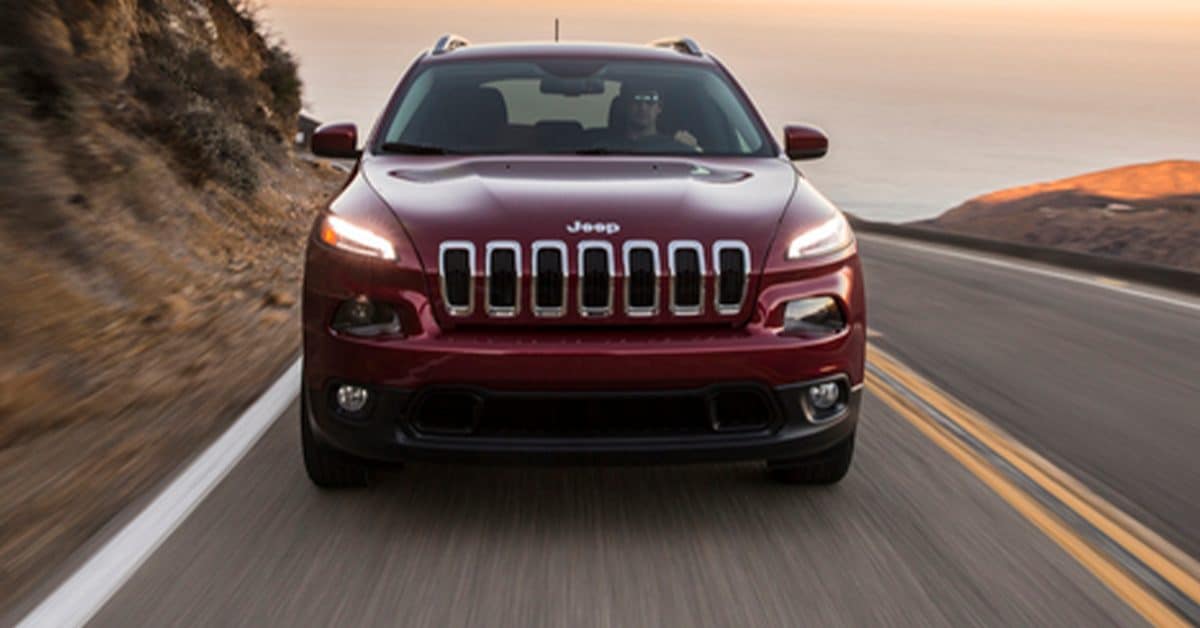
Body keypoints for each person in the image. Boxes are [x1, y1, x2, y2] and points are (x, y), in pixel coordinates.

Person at [614, 85, 700, 152]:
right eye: (636, 100)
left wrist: (692, 149)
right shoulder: (604, 144)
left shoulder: (675, 147)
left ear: (659, 107)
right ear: (626, 105)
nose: (643, 107)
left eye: (650, 101)